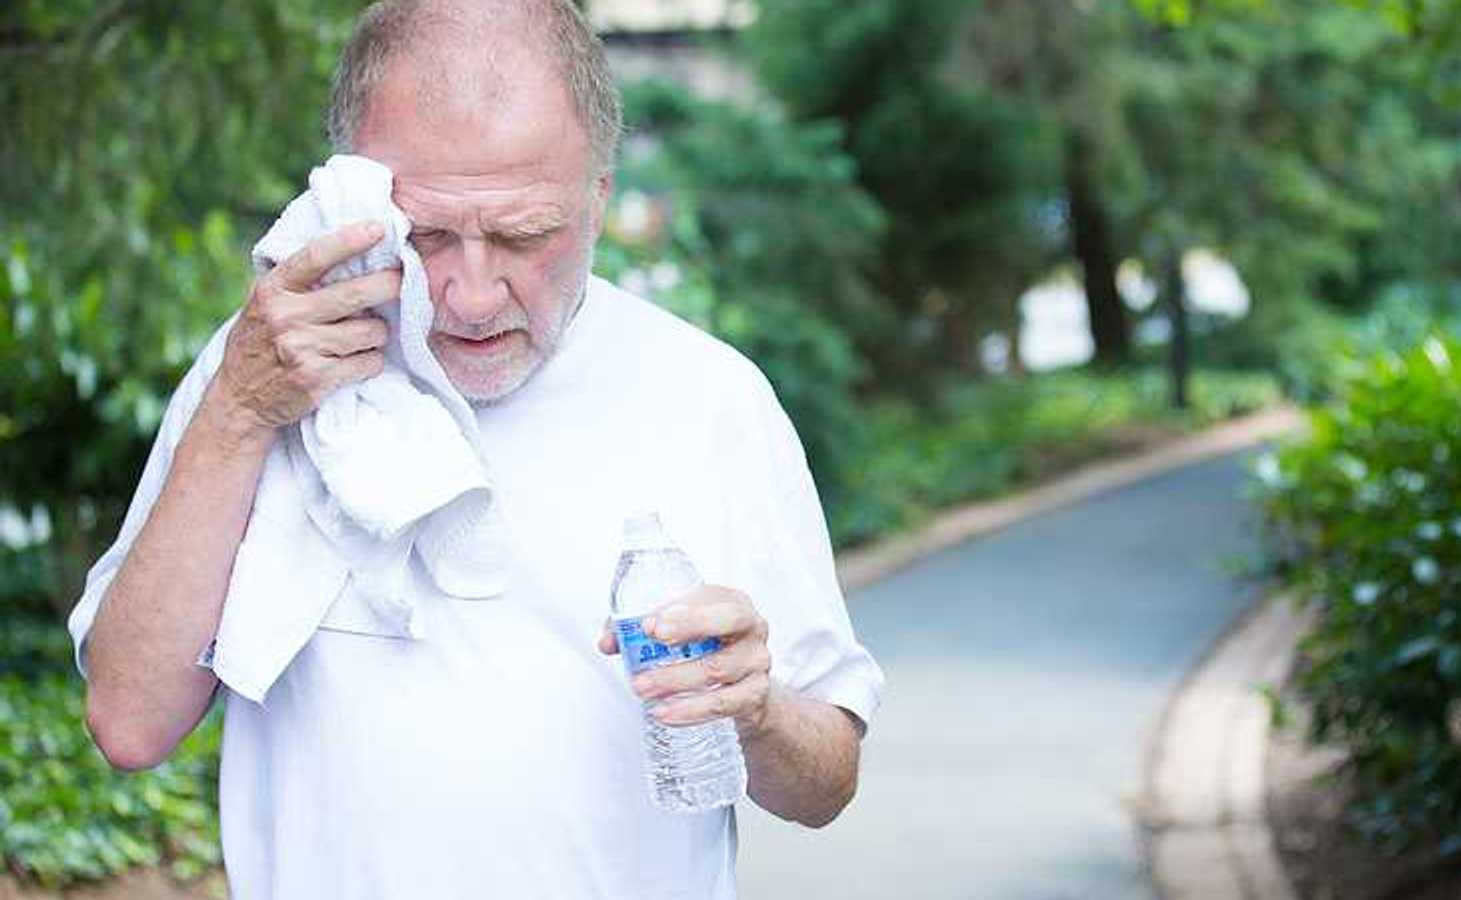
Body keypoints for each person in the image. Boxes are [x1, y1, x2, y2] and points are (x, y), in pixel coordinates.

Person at [65, 1, 884, 897]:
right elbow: (128, 723)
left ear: (598, 198)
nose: (471, 294)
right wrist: (240, 410)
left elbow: (826, 783)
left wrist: (755, 710)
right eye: (425, 237)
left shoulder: (708, 398)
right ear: (355, 196)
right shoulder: (266, 367)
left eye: (525, 236)